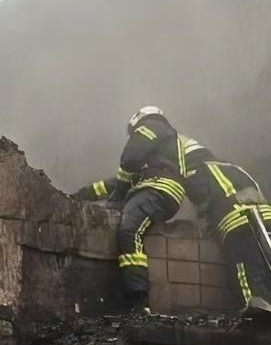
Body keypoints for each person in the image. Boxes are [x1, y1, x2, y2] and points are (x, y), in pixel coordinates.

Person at [75, 106, 204, 311]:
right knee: (112, 210)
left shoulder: (152, 125)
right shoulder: (157, 152)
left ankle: (138, 300)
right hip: (154, 188)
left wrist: (120, 192)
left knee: (129, 229)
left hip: (157, 187)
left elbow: (129, 159)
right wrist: (82, 195)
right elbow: (118, 183)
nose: (133, 135)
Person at [181, 142, 271, 316]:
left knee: (246, 271)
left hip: (241, 223)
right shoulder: (234, 167)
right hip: (269, 219)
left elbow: (201, 197)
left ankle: (256, 312)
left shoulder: (197, 170)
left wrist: (204, 216)